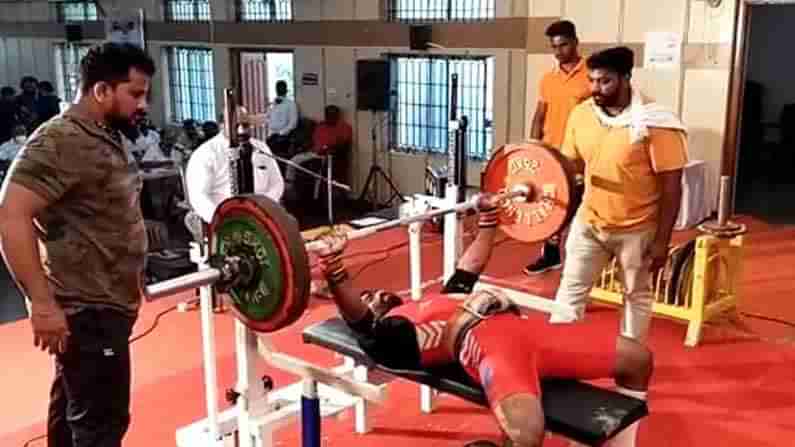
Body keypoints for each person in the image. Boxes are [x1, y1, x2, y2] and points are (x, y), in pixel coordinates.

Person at [314, 194, 653, 447]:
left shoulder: (433, 301)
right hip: (490, 349)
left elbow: (470, 266)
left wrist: (489, 218)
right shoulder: (389, 336)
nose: (376, 294)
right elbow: (356, 317)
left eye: (374, 292)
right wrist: (334, 266)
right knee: (526, 436)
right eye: (369, 298)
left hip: (529, 330)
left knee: (637, 359)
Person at [0, 42, 156, 447]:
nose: (143, 105)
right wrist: (41, 302)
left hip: (107, 305)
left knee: (73, 416)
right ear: (101, 90)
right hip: (89, 310)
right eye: (135, 94)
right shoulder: (60, 140)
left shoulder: (105, 133)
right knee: (101, 426)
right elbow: (11, 214)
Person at [551, 46, 688, 343]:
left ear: (626, 78)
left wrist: (662, 241)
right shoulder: (582, 114)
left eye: (605, 81)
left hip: (637, 229)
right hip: (590, 222)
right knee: (569, 293)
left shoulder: (656, 122)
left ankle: (630, 363)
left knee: (635, 296)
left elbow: (672, 186)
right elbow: (569, 166)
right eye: (592, 80)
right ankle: (558, 354)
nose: (595, 88)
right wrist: (557, 217)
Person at [524, 20, 591, 277]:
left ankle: (585, 261)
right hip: (552, 153)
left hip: (581, 155)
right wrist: (534, 147)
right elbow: (539, 115)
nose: (558, 51)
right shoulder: (548, 79)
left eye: (563, 45)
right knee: (551, 204)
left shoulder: (591, 75)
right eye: (554, 47)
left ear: (575, 42)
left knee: (580, 207)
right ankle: (551, 255)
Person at [185, 106, 285, 225]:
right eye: (235, 126)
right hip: (225, 221)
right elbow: (199, 197)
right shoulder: (205, 153)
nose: (241, 130)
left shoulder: (261, 148)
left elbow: (277, 183)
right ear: (222, 125)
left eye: (245, 125)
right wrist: (223, 220)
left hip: (263, 216)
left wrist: (264, 208)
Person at [285, 104, 352, 184]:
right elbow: (313, 140)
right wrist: (305, 146)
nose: (330, 117)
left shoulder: (344, 127)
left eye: (332, 114)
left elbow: (344, 144)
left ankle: (316, 190)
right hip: (313, 152)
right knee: (292, 162)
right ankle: (289, 185)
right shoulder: (320, 126)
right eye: (328, 115)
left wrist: (329, 149)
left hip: (329, 156)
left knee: (316, 169)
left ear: (337, 115)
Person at [265, 80, 298, 157]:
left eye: (281, 88)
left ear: (286, 90)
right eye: (278, 88)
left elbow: (293, 123)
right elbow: (268, 117)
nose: (279, 90)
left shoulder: (291, 104)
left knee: (273, 147)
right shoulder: (272, 104)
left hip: (284, 136)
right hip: (272, 135)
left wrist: (281, 132)